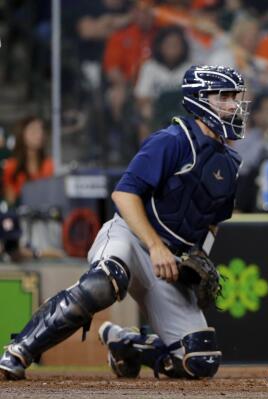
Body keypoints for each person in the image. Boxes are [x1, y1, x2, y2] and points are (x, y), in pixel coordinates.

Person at [0, 65, 250, 380]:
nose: (233, 104)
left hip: (168, 262)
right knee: (104, 282)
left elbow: (212, 222)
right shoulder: (172, 140)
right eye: (224, 96)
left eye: (235, 96)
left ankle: (126, 344)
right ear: (200, 100)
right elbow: (124, 195)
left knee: (199, 361)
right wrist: (155, 245)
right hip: (130, 236)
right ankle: (17, 352)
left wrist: (199, 257)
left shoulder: (230, 163)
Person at [2, 116, 54, 206]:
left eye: (41, 130)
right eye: (34, 131)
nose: (39, 134)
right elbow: (10, 201)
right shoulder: (11, 166)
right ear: (22, 135)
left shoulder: (49, 164)